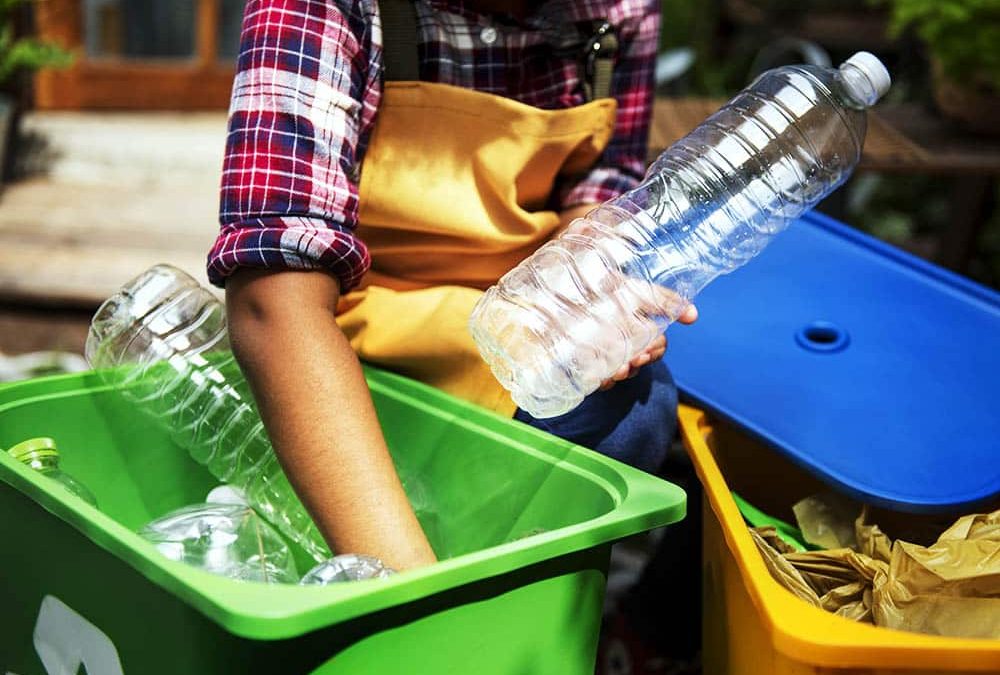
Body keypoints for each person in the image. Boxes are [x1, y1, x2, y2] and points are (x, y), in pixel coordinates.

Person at [208, 0, 696, 573]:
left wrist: (588, 291)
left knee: (635, 408)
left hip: (511, 320)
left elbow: (598, 187)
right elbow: (273, 302)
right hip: (352, 331)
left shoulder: (619, 12)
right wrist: (409, 593)